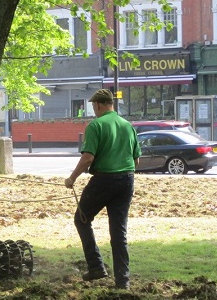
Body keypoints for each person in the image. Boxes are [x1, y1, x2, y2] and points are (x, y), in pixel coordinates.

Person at [64, 89, 140, 290]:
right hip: (127, 180)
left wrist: (72, 178)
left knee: (81, 218)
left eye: (93, 106)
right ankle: (122, 281)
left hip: (104, 179)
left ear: (98, 105)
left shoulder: (95, 126)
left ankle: (96, 266)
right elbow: (136, 159)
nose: (94, 110)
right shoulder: (128, 126)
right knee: (119, 231)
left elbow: (87, 158)